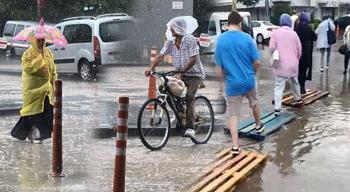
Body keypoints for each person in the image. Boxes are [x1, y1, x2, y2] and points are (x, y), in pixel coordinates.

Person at [144, 17, 205, 139]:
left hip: (195, 75)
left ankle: (190, 127)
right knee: (164, 88)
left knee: (189, 96)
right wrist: (151, 68)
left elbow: (194, 59)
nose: (170, 29)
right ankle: (181, 113)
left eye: (172, 27)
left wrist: (182, 71)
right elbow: (160, 56)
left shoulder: (190, 40)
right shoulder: (170, 42)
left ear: (179, 28)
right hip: (179, 74)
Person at [215, 10, 265, 155]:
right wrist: (253, 75)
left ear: (228, 23)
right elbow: (257, 63)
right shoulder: (248, 38)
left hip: (232, 83)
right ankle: (258, 126)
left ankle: (235, 146)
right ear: (240, 23)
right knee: (254, 102)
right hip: (248, 80)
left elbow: (219, 69)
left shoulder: (221, 40)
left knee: (233, 115)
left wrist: (221, 86)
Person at [11, 38, 57, 143]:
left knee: (47, 111)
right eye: (38, 41)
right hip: (32, 90)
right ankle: (29, 134)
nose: (41, 43)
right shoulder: (28, 54)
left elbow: (53, 70)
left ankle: (40, 134)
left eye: (42, 40)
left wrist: (54, 82)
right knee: (33, 113)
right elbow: (28, 68)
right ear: (33, 41)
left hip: (46, 89)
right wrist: (39, 59)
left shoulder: (48, 52)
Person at [269, 13, 303, 115]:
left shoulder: (276, 33)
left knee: (279, 86)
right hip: (293, 64)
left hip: (281, 64)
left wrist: (274, 56)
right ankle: (298, 99)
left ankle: (277, 109)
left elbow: (271, 48)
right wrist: (296, 59)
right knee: (295, 82)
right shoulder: (294, 34)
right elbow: (299, 50)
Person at [295, 12, 317, 94]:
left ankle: (298, 88)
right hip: (306, 53)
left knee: (298, 71)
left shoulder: (296, 28)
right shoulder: (308, 28)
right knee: (303, 71)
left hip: (297, 53)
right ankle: (302, 88)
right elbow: (315, 38)